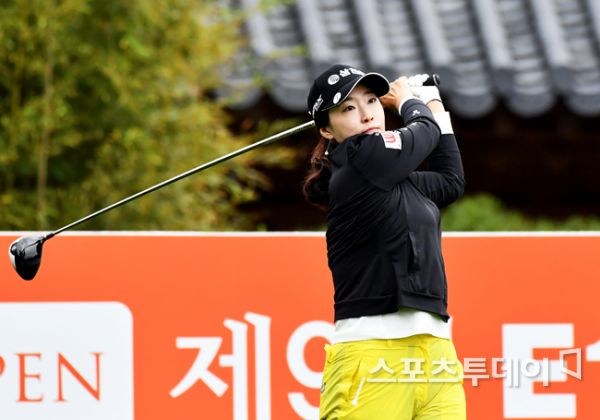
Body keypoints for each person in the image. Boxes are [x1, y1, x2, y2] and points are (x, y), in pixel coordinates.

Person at [303, 64, 466, 419]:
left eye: (372, 101)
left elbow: (450, 180)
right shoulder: (360, 158)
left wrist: (432, 100)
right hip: (371, 353)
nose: (366, 114)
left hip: (436, 354)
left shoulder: (391, 177)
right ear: (327, 130)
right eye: (348, 108)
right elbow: (425, 131)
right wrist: (407, 99)